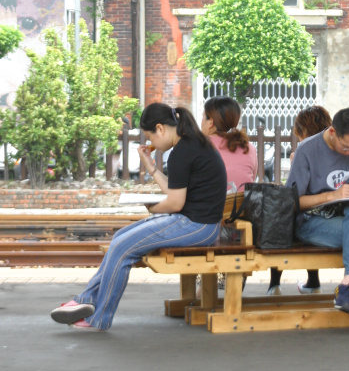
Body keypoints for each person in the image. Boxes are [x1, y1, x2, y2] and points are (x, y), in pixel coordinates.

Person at [50, 103, 227, 331]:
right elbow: (174, 192)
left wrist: (153, 209)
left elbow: (174, 202)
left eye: (149, 135)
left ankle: (99, 318)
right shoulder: (191, 144)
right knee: (120, 237)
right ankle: (85, 300)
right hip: (198, 223)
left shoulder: (183, 151)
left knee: (123, 249)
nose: (151, 142)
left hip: (197, 226)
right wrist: (151, 167)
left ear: (160, 128)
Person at [285, 106, 349, 333]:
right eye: (346, 147)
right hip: (312, 221)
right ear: (332, 132)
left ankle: (348, 285)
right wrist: (332, 195)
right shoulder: (307, 150)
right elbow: (292, 202)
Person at [267, 105, 332, 296]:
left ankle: (274, 285)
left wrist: (297, 162)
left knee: (279, 219)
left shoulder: (305, 151)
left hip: (310, 220)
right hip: (332, 215)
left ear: (303, 131)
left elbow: (292, 194)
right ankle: (313, 282)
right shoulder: (336, 150)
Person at [201, 96, 257, 192]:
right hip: (244, 204)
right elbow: (252, 177)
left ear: (210, 122)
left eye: (203, 117)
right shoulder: (248, 147)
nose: (201, 122)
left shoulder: (200, 145)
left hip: (212, 205)